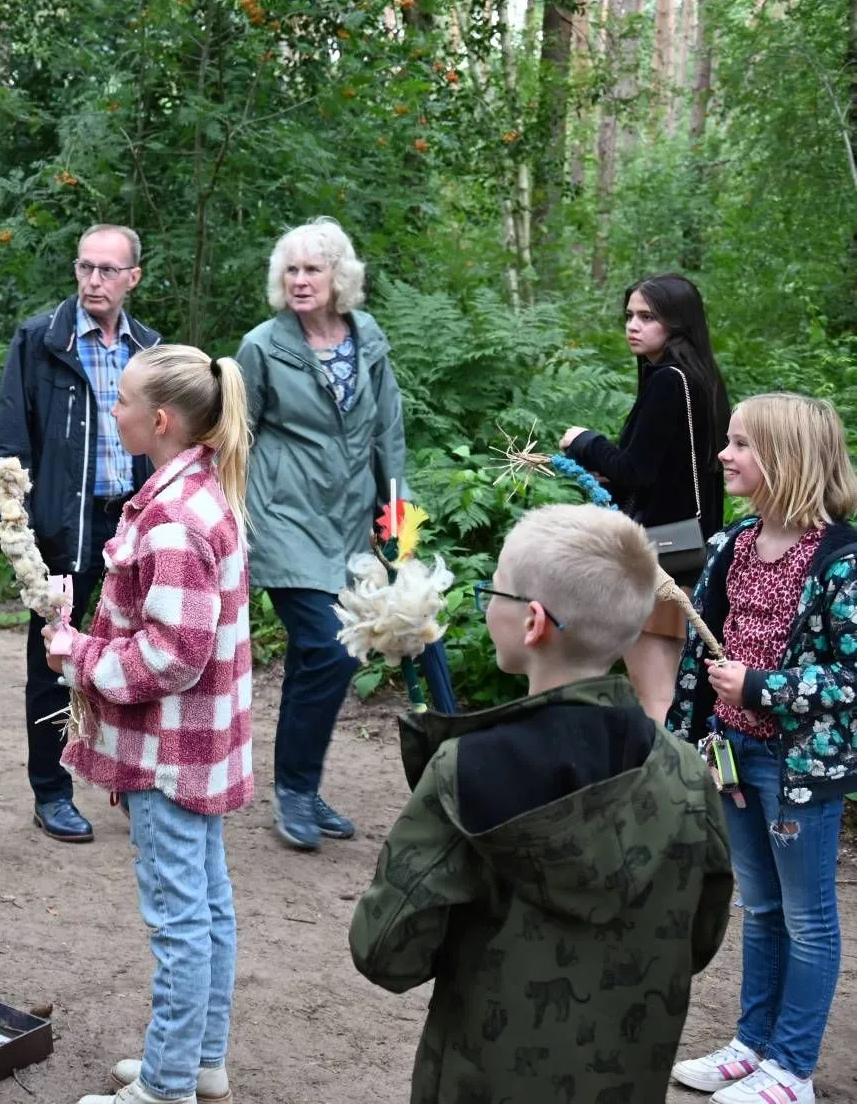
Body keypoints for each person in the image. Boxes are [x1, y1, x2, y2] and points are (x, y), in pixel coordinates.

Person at [350, 503, 733, 1103]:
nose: (485, 603)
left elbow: (386, 952)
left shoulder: (465, 770)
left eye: (493, 591)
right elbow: (700, 936)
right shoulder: (685, 773)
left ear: (533, 622)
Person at [42, 344, 253, 1104]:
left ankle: (166, 1086)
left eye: (124, 399)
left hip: (171, 755)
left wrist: (76, 654)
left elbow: (172, 656)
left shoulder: (172, 519)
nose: (115, 409)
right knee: (207, 904)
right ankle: (199, 1060)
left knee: (178, 920)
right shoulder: (197, 491)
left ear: (160, 420)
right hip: (200, 747)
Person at [236, 217, 455, 853]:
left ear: (341, 277)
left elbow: (389, 436)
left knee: (320, 657)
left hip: (351, 523)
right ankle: (296, 790)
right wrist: (231, 520)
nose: (300, 280)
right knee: (330, 648)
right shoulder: (261, 348)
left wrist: (400, 526)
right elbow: (236, 437)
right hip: (283, 519)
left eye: (313, 269)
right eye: (291, 269)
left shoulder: (368, 340)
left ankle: (299, 785)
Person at [667, 393, 857, 1104]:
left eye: (742, 443)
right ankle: (753, 1046)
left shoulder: (841, 562)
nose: (725, 454)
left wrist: (761, 687)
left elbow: (851, 677)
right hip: (734, 752)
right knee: (761, 907)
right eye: (729, 440)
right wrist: (688, 732)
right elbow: (699, 654)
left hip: (798, 766)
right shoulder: (735, 543)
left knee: (807, 917)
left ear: (787, 458)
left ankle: (793, 1068)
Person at [0, 223, 163, 843]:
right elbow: (9, 438)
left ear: (132, 278)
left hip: (135, 524)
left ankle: (132, 781)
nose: (93, 280)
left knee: (140, 655)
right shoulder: (41, 340)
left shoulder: (149, 350)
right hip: (65, 526)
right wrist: (14, 528)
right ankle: (52, 793)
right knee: (54, 660)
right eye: (85, 267)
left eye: (107, 270)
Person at [561, 274, 731, 721]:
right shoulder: (701, 378)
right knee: (672, 690)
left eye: (648, 317)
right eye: (630, 316)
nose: (633, 326)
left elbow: (636, 470)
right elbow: (661, 472)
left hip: (661, 554)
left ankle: (665, 769)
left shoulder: (668, 380)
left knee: (655, 695)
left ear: (677, 322)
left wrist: (585, 441)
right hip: (690, 549)